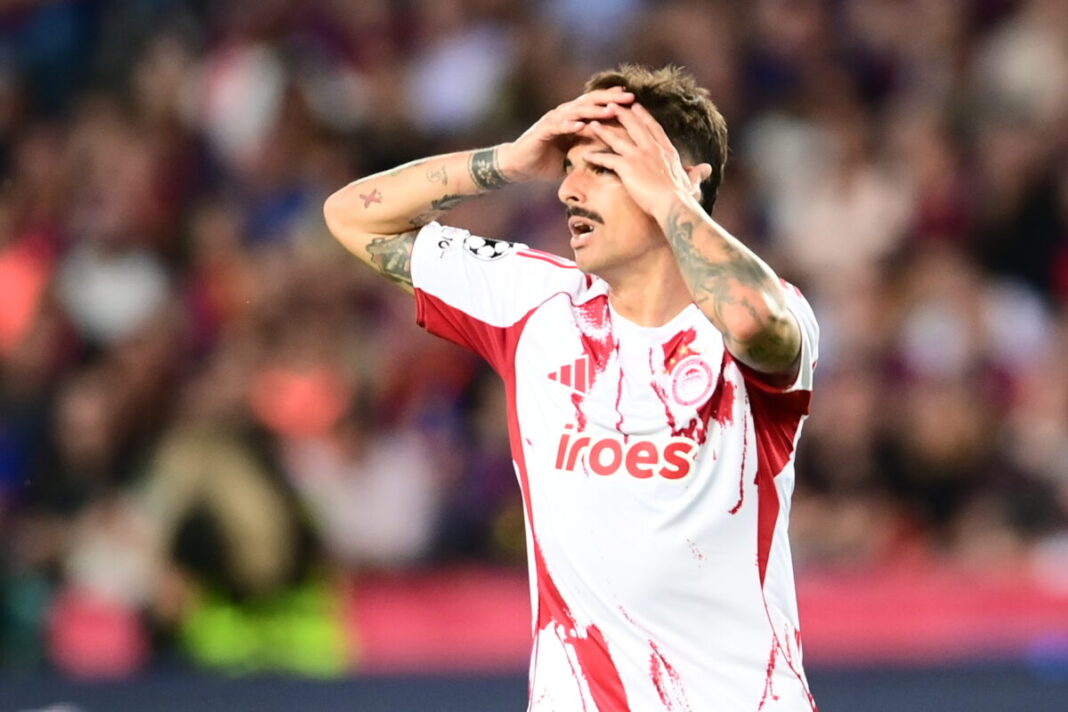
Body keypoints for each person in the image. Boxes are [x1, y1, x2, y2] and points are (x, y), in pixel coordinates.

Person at [324, 64, 819, 711]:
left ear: (681, 179)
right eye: (568, 169)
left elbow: (754, 322)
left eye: (603, 168)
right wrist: (506, 162)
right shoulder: (535, 303)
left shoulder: (758, 313)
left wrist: (672, 201)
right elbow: (351, 218)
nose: (568, 191)